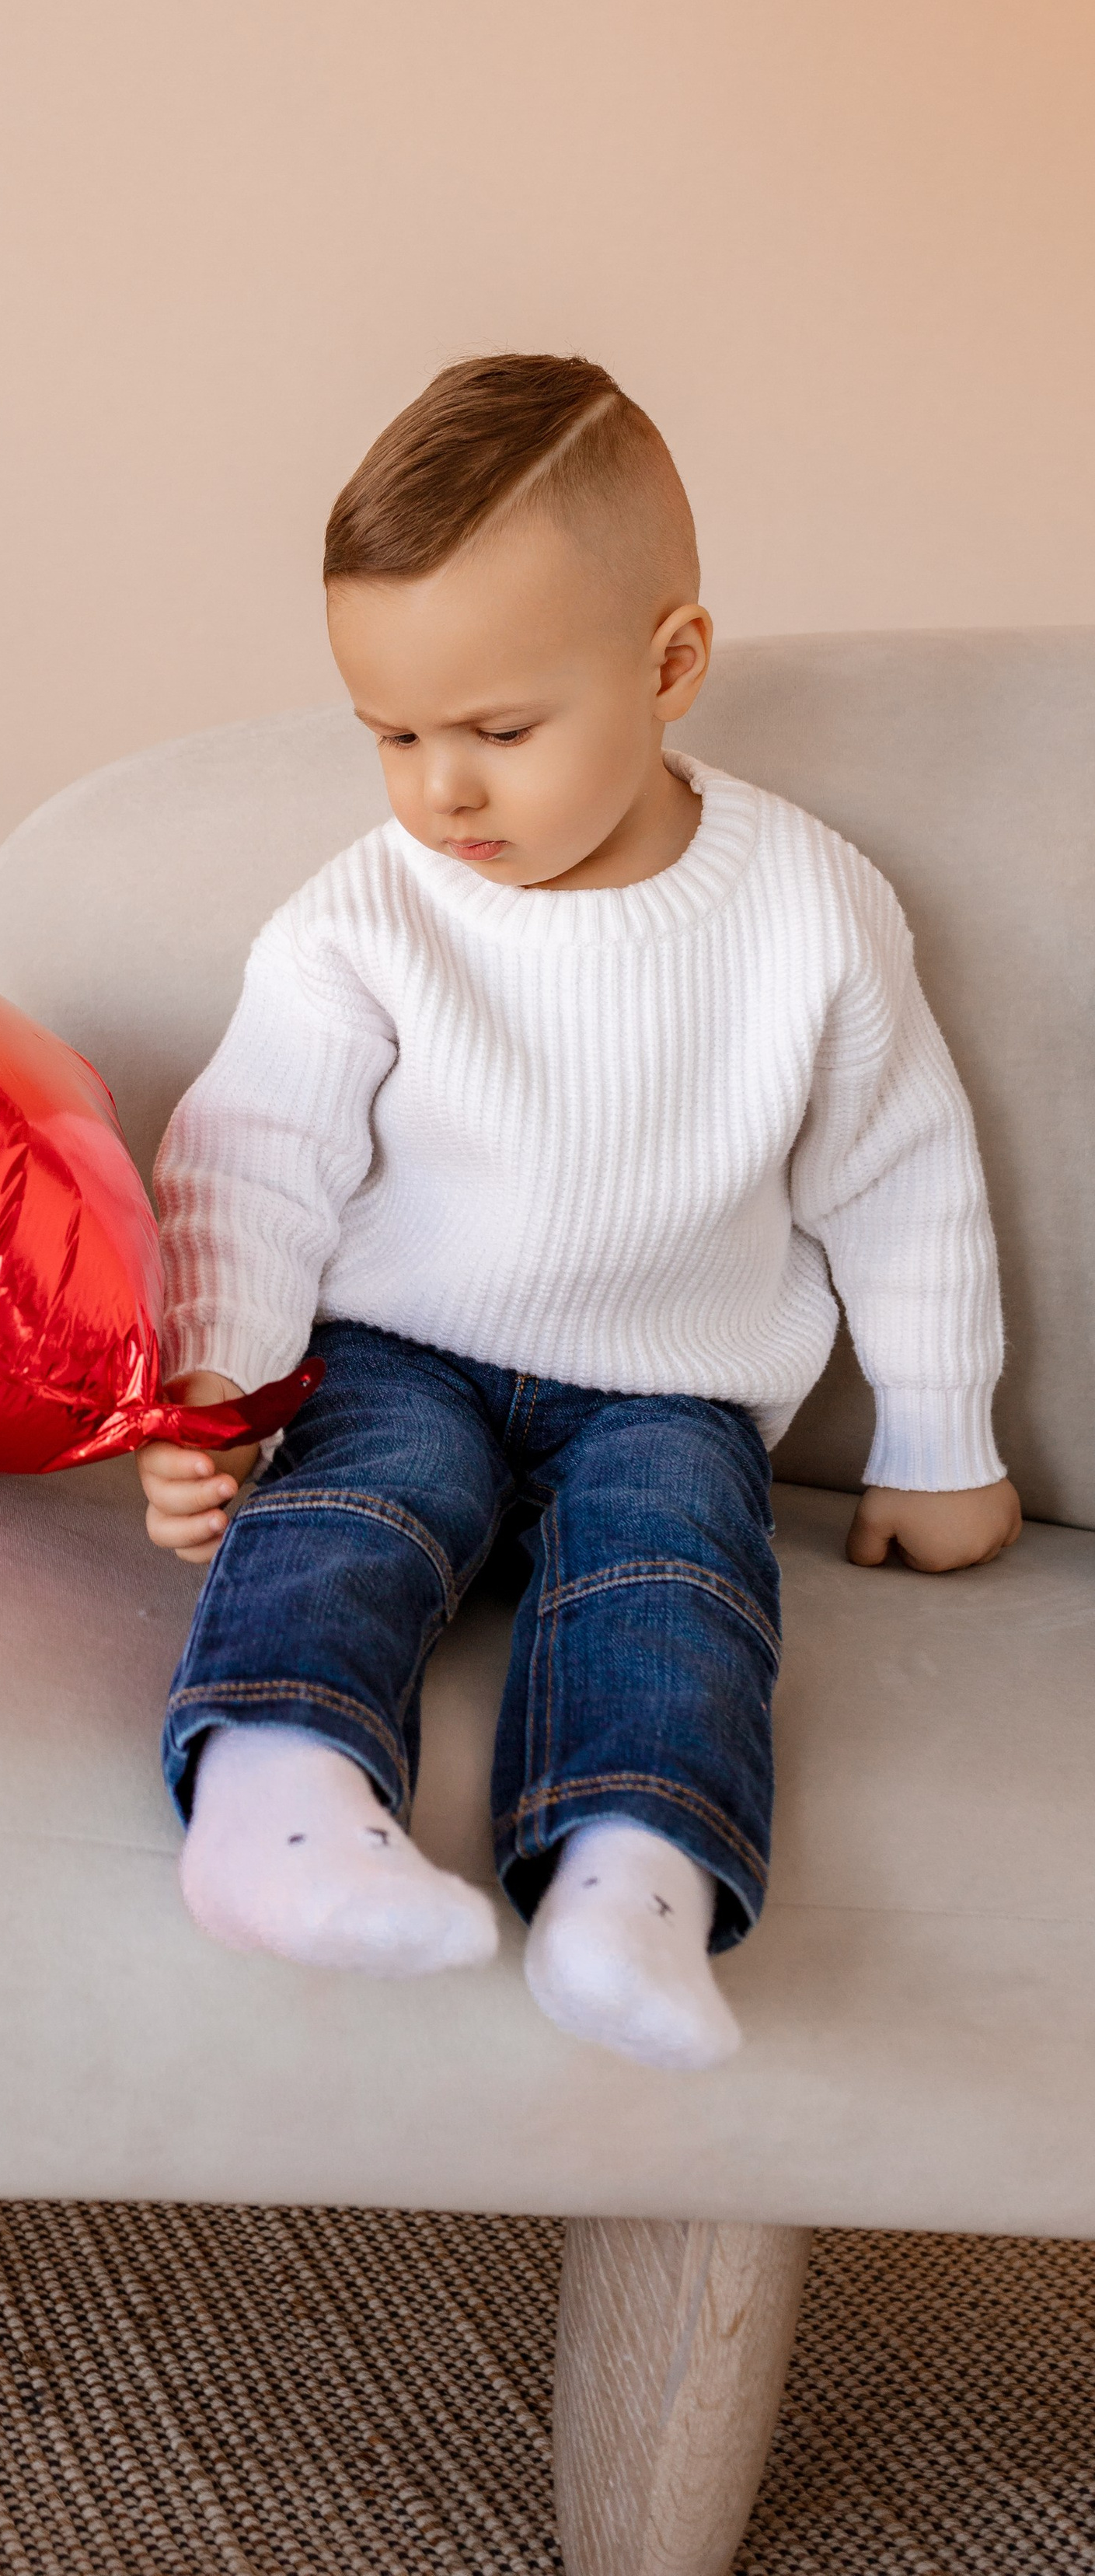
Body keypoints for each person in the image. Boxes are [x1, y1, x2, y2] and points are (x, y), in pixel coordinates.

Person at [138, 354, 1021, 2071]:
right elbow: (251, 1157)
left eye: (499, 731)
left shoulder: (809, 909)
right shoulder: (363, 919)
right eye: (393, 736)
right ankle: (277, 1801)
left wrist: (938, 1440)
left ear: (667, 666)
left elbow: (899, 1175)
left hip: (667, 1387)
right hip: (401, 1350)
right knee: (357, 1506)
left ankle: (632, 1885)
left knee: (675, 1569)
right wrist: (214, 1387)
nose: (441, 793)